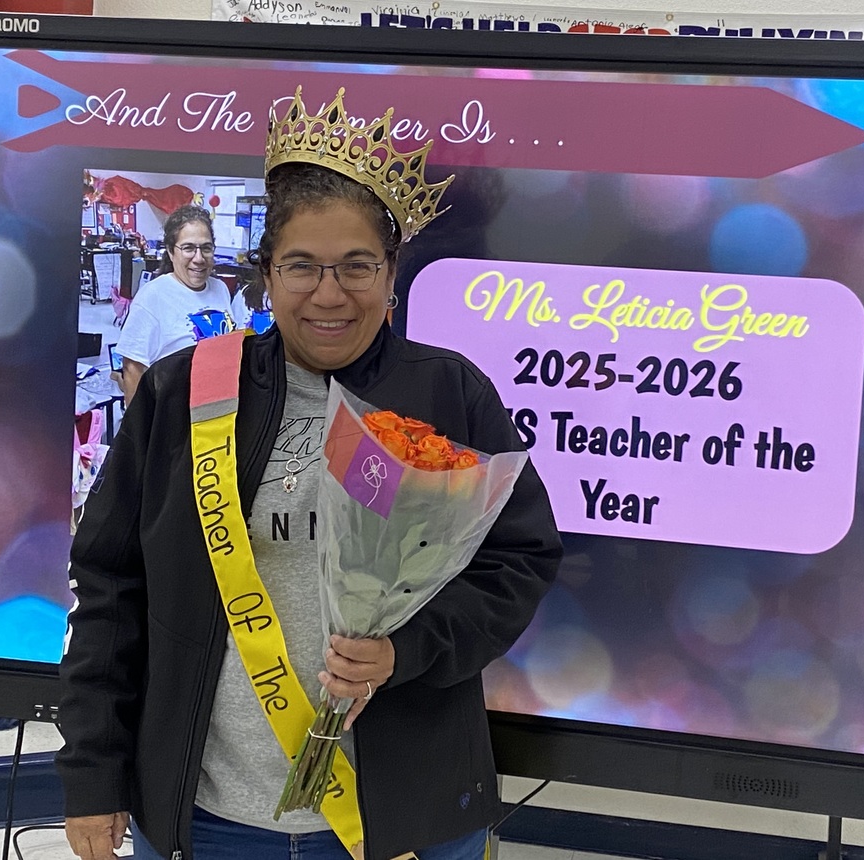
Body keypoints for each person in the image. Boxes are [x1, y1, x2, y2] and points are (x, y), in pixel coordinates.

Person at [57, 87, 563, 860]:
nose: (330, 293)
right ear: (266, 273)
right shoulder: (184, 391)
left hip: (398, 820)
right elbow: (110, 589)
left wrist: (408, 648)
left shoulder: (449, 393)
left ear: (392, 274)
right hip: (207, 817)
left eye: (358, 266)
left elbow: (520, 559)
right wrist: (93, 774)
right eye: (301, 266)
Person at [114, 204, 237, 404]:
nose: (199, 258)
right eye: (188, 248)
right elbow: (132, 369)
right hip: (174, 413)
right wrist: (140, 422)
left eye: (206, 248)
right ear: (171, 252)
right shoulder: (152, 296)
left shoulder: (220, 288)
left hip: (219, 408)